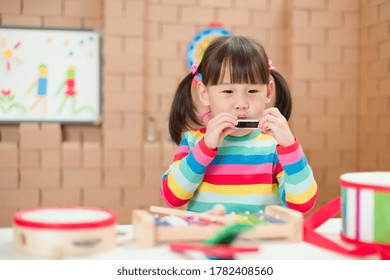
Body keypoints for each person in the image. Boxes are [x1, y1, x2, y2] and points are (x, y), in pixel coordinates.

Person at [161, 35, 318, 214]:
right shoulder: (193, 142)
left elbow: (303, 204)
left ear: (268, 92)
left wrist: (290, 147)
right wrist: (204, 148)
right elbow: (171, 198)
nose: (241, 103)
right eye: (228, 91)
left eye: (252, 91)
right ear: (204, 93)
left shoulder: (276, 147)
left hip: (260, 239)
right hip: (208, 239)